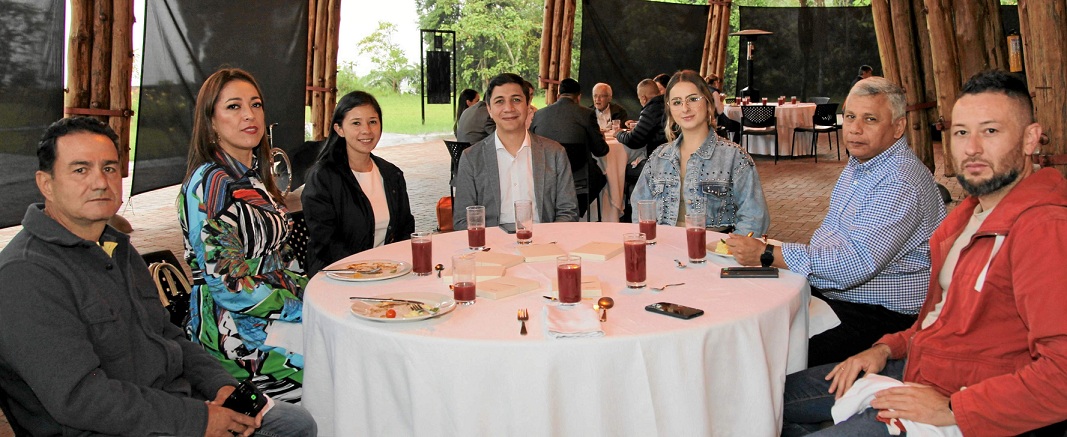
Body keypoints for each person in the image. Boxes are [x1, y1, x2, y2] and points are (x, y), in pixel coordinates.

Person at [781, 69, 1067, 437]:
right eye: (962, 133)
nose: (973, 147)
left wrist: (953, 408)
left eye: (991, 131)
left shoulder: (1043, 229)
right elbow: (938, 320)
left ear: (1030, 139)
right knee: (761, 398)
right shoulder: (965, 218)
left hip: (958, 400)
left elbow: (1060, 375)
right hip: (912, 366)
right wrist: (887, 348)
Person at [0, 116, 315, 436]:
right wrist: (198, 420)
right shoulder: (25, 275)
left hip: (170, 405)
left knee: (294, 422)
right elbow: (82, 398)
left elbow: (167, 333)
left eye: (109, 168)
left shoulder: (114, 248)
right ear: (46, 184)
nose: (99, 182)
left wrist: (220, 385)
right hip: (116, 428)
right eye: (81, 170)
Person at [727, 77, 945, 367]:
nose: (855, 128)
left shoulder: (899, 182)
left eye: (870, 119)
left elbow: (853, 265)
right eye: (851, 116)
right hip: (844, 295)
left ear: (898, 127)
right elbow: (831, 237)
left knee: (767, 357)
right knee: (751, 311)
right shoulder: (863, 164)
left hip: (882, 314)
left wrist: (769, 254)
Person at [178, 68, 307, 402]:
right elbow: (229, 286)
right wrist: (305, 307)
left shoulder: (250, 178)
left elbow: (282, 258)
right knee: (344, 366)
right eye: (234, 107)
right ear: (210, 122)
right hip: (236, 334)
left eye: (256, 104)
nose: (250, 115)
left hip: (274, 315)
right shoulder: (212, 185)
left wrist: (316, 292)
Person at [630, 70, 769, 235]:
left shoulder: (734, 157)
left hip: (714, 254)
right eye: (676, 102)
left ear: (708, 103)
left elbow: (754, 218)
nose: (685, 108)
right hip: (665, 252)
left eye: (693, 99)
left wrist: (727, 252)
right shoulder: (658, 158)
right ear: (670, 110)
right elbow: (640, 212)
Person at [302, 91, 415, 278]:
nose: (366, 131)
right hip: (337, 275)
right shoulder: (322, 178)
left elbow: (405, 228)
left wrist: (394, 267)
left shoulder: (391, 174)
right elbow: (326, 242)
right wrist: (368, 271)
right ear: (339, 129)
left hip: (388, 273)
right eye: (356, 123)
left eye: (373, 122)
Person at [453, 72, 579, 229]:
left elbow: (568, 212)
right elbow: (462, 220)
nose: (509, 108)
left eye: (516, 100)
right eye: (499, 101)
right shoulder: (472, 158)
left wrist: (548, 241)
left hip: (544, 242)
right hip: (492, 246)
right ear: (489, 109)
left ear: (528, 105)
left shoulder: (554, 153)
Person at [530, 78, 610, 218]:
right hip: (577, 173)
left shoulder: (539, 114)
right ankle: (577, 212)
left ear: (557, 95)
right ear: (578, 97)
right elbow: (600, 150)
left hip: (545, 171)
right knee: (600, 178)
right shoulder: (586, 114)